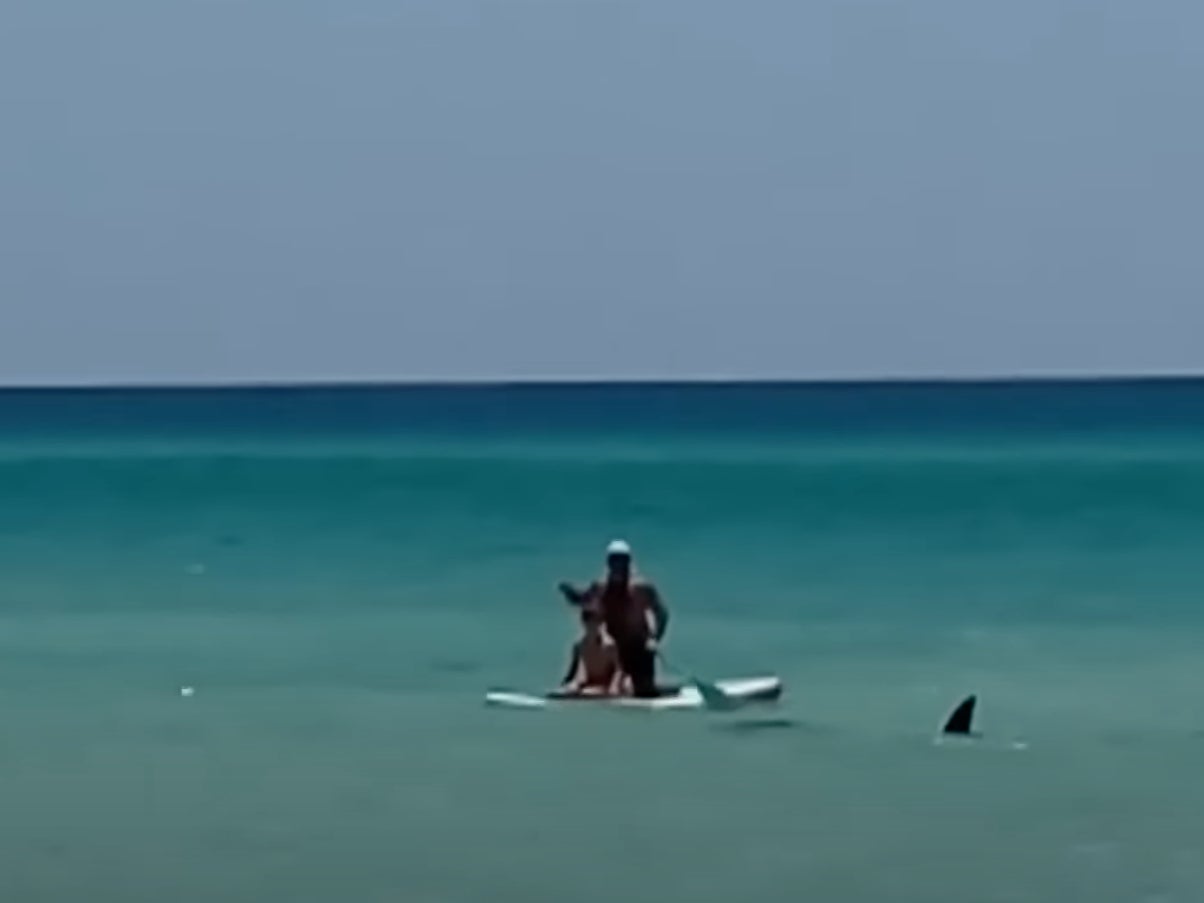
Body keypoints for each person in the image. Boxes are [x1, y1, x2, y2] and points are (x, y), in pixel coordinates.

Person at [558, 540, 670, 699]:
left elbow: (662, 614)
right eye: (614, 561)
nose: (618, 566)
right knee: (612, 686)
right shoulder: (600, 587)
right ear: (608, 563)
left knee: (644, 692)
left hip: (639, 648)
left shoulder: (642, 588)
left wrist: (655, 638)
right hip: (613, 650)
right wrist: (570, 594)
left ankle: (641, 685)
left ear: (628, 563)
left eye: (622, 561)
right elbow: (584, 601)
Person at [551, 604, 624, 698]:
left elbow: (619, 669)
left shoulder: (609, 645)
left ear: (600, 623)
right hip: (589, 681)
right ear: (583, 623)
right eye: (589, 623)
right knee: (573, 688)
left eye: (595, 622)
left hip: (606, 682)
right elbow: (572, 671)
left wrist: (614, 685)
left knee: (588, 692)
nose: (592, 626)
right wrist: (566, 685)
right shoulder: (579, 645)